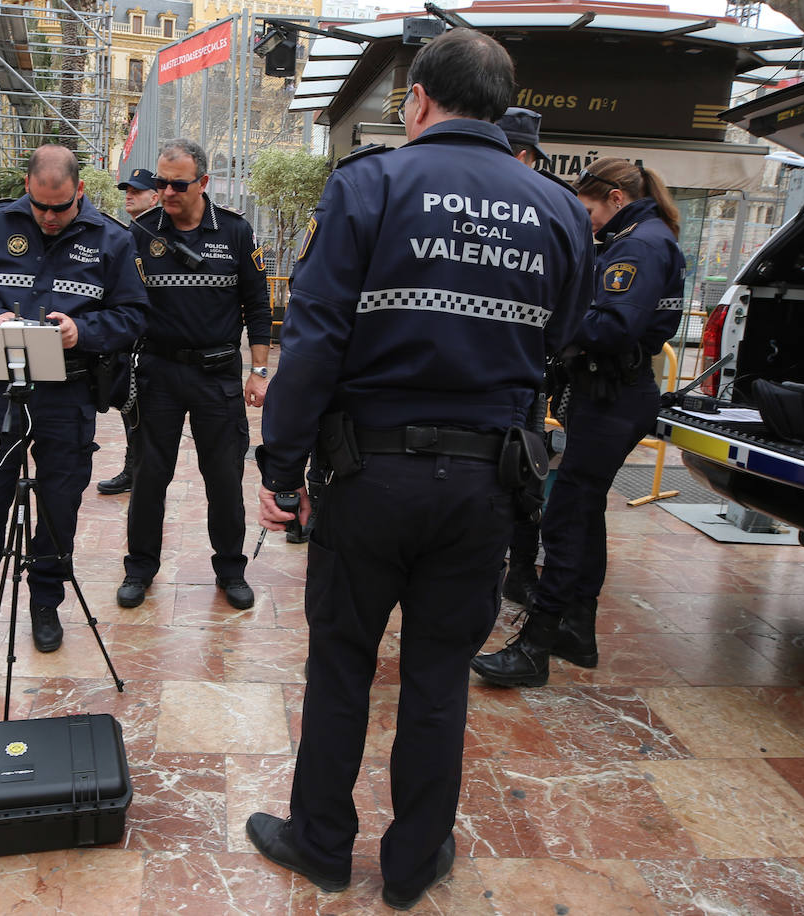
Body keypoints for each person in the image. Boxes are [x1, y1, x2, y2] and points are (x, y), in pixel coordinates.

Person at [245, 29, 592, 910]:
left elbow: (314, 344)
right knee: (439, 680)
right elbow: (559, 341)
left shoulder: (370, 186)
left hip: (369, 480)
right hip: (486, 487)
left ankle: (322, 844)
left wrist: (281, 470)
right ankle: (415, 860)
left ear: (417, 102)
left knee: (342, 668)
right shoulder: (557, 209)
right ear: (502, 106)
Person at [0, 144, 148, 659]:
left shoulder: (111, 239)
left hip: (69, 392)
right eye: (40, 205)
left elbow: (134, 316)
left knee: (59, 503)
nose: (48, 217)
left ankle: (46, 604)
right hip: (4, 386)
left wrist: (81, 330)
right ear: (28, 186)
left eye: (60, 207)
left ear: (80, 191)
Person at [471, 156, 687, 688]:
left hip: (613, 394)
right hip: (608, 393)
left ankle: (536, 645)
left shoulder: (638, 243)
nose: (584, 218)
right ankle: (578, 630)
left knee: (567, 512)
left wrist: (550, 313)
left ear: (615, 197)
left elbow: (611, 324)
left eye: (587, 207)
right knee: (584, 514)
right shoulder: (641, 235)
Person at [115, 138, 271, 612]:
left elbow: (258, 305)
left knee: (223, 478)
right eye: (161, 183)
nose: (166, 192)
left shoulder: (236, 233)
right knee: (148, 477)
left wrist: (259, 371)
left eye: (177, 184)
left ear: (203, 182)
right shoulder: (139, 234)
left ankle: (231, 569)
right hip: (158, 373)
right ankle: (140, 568)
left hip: (217, 374)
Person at [494, 106, 557, 604]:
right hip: (523, 376)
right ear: (524, 154)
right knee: (523, 475)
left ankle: (509, 571)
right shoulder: (553, 207)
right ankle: (512, 572)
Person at [96, 168, 161, 496]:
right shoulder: (127, 233)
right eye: (127, 190)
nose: (129, 195)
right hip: (128, 337)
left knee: (142, 410)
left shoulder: (158, 234)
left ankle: (138, 471)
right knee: (129, 407)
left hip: (153, 340)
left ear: (156, 196)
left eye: (137, 190)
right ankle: (134, 468)